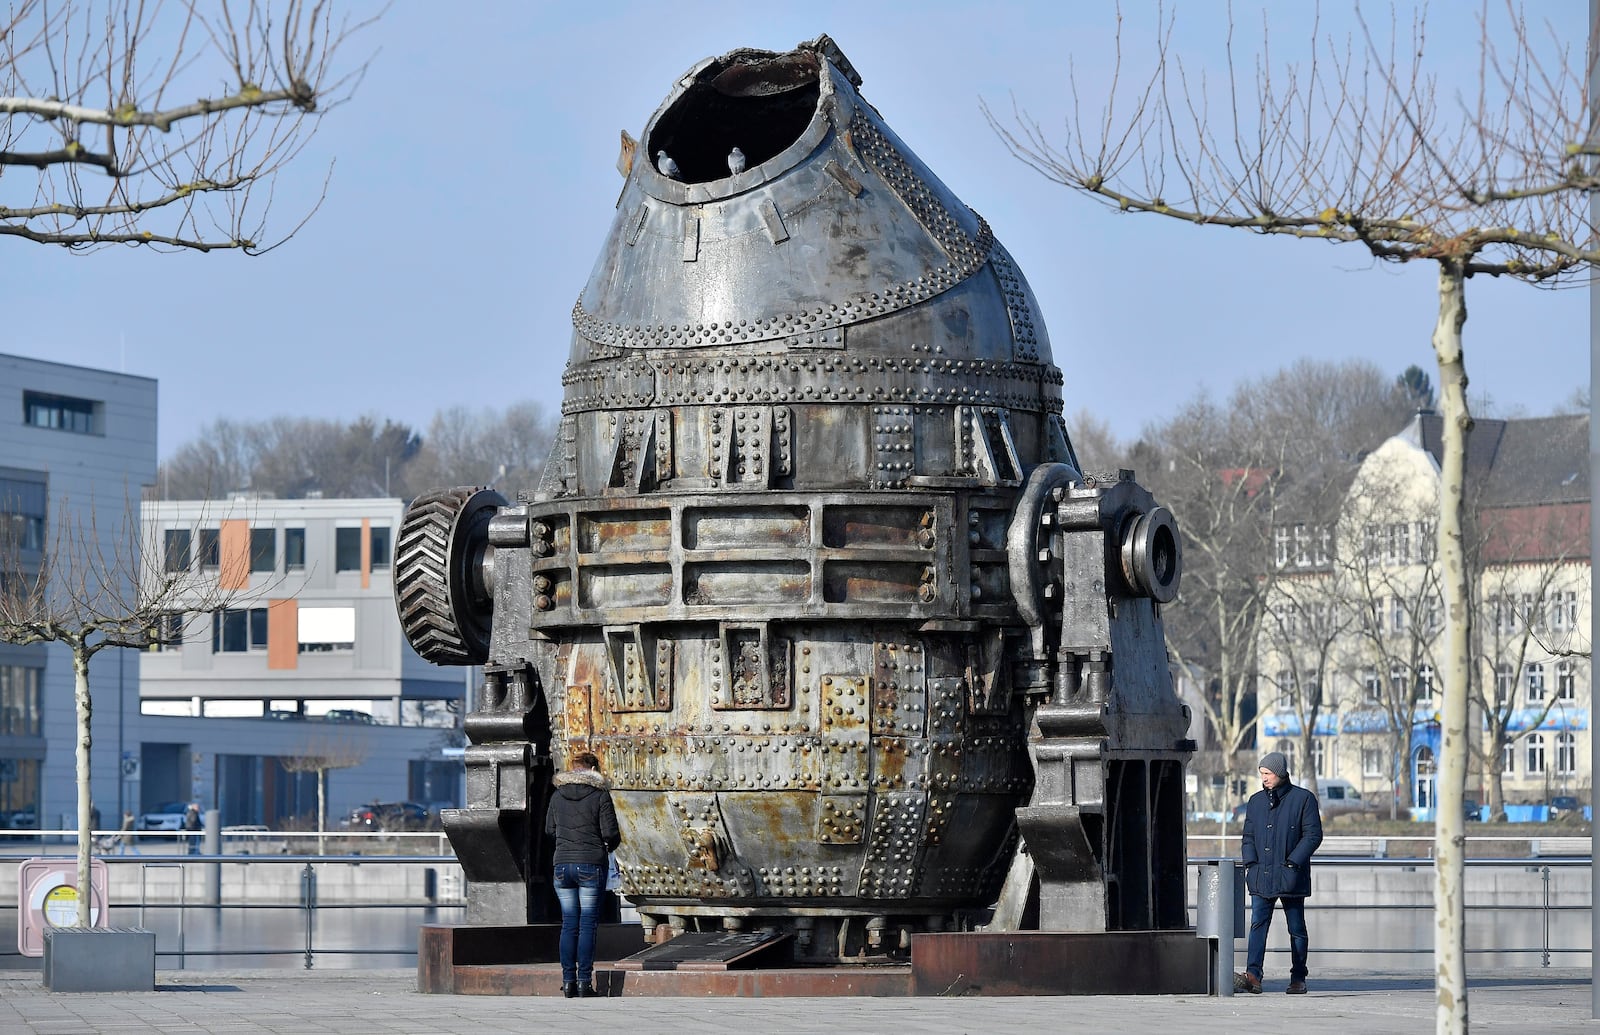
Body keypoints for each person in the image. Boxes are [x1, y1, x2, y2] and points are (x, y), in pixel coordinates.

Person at [1236, 751, 1323, 995]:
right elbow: (1248, 837)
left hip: (1290, 876)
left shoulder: (1303, 799)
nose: (1263, 778)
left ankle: (1298, 978)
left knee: (1296, 928)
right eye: (1261, 773)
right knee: (1257, 925)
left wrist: (1293, 863)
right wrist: (1250, 865)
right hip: (1261, 875)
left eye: (1268, 773)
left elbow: (1313, 835)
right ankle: (1253, 976)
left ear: (1280, 773)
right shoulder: (1255, 801)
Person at [544, 750, 620, 998]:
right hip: (590, 864)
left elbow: (549, 830)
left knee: (569, 924)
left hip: (562, 866)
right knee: (587, 924)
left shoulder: (557, 796)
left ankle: (568, 982)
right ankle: (585, 982)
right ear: (594, 770)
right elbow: (610, 833)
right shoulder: (600, 796)